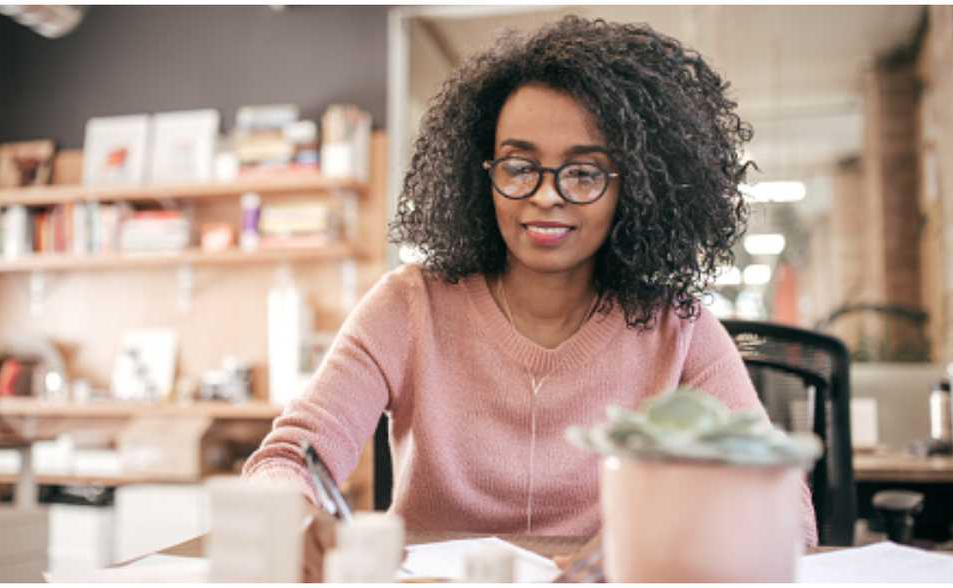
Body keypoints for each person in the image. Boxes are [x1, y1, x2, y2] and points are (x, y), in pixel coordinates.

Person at [242, 15, 818, 579]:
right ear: (481, 170)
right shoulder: (407, 305)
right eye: (520, 167)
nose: (546, 196)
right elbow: (287, 459)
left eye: (584, 173)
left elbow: (784, 510)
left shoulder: (680, 328)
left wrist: (662, 540)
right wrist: (295, 520)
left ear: (635, 188)